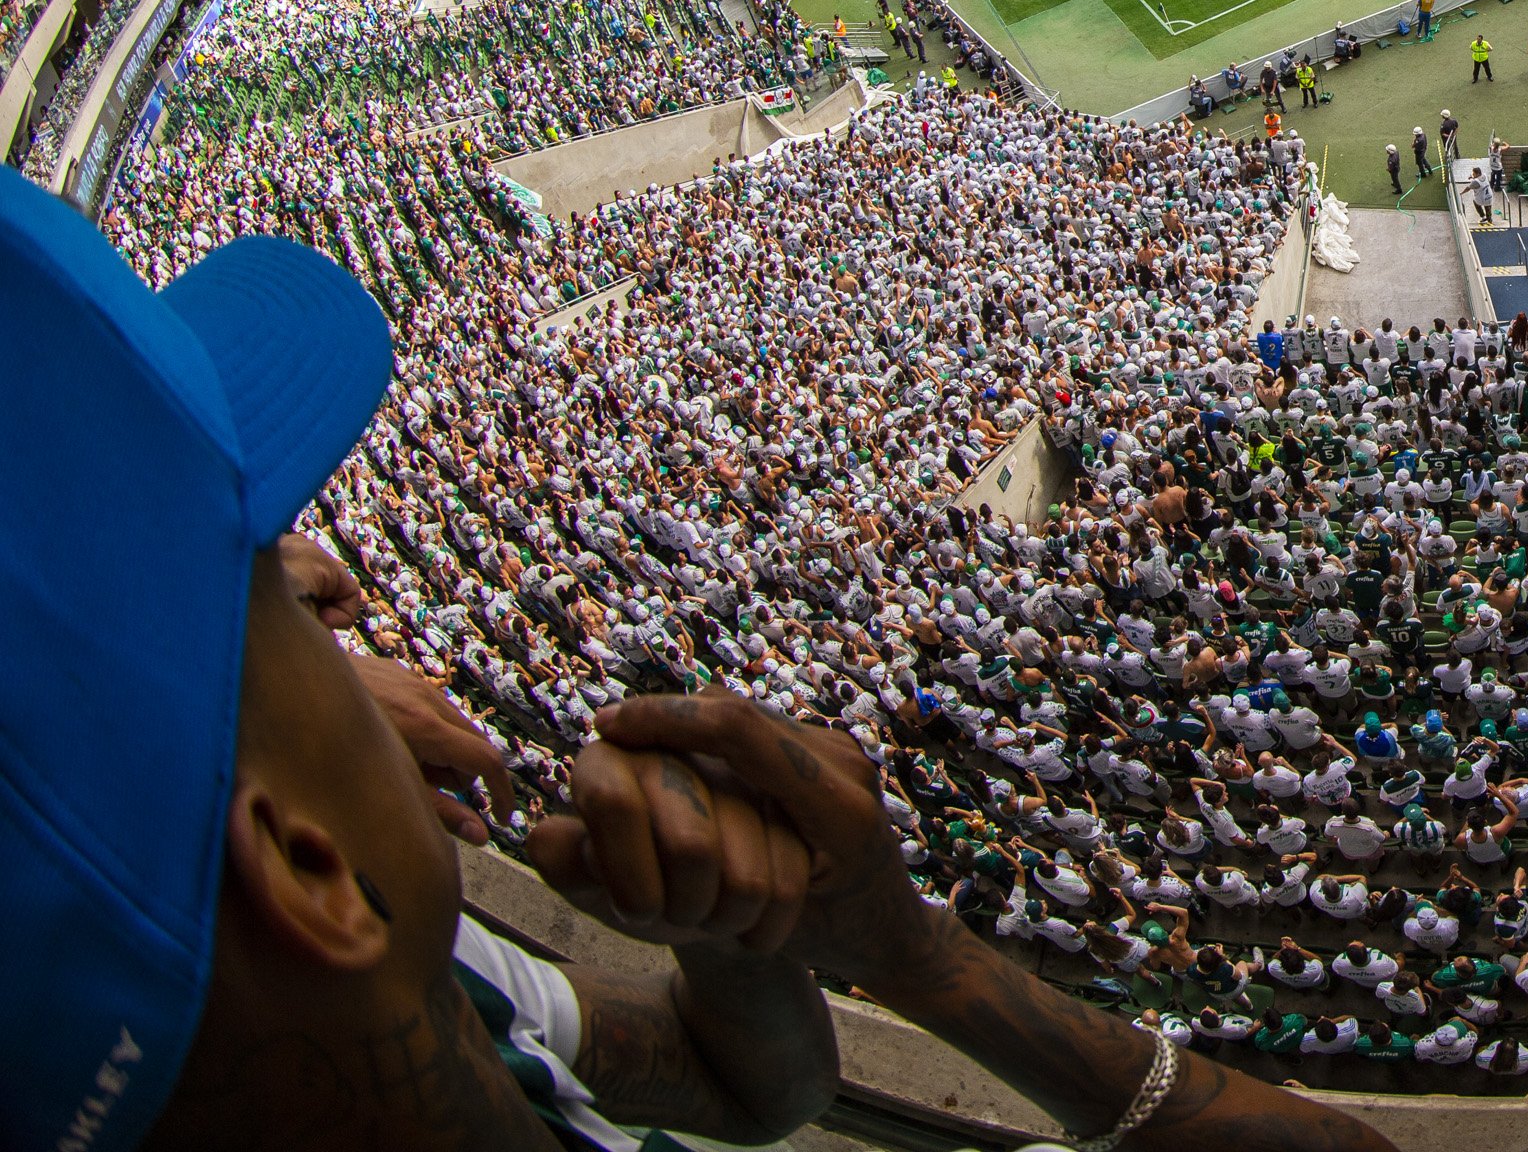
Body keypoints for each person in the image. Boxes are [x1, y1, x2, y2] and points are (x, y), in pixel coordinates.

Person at [0, 168, 1396, 1152]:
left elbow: (748, 1092)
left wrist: (730, 953)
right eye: (256, 589)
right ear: (307, 872)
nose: (326, 572)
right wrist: (919, 959)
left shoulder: (442, 1000)